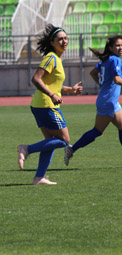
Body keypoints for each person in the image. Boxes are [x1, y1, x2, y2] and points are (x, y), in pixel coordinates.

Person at [17, 24, 83, 185]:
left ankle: (39, 177)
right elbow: (36, 79)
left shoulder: (56, 59)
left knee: (50, 142)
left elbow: (54, 85)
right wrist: (52, 95)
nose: (64, 41)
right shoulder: (51, 58)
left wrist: (70, 90)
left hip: (40, 105)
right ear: (52, 42)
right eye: (60, 39)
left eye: (66, 38)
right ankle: (26, 149)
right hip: (47, 106)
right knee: (65, 140)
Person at [64, 35, 122, 164]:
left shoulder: (105, 60)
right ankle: (72, 149)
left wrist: (101, 84)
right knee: (97, 131)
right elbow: (117, 80)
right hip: (109, 102)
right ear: (111, 47)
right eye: (117, 45)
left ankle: (72, 149)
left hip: (108, 100)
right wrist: (104, 85)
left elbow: (93, 73)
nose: (120, 48)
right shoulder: (115, 60)